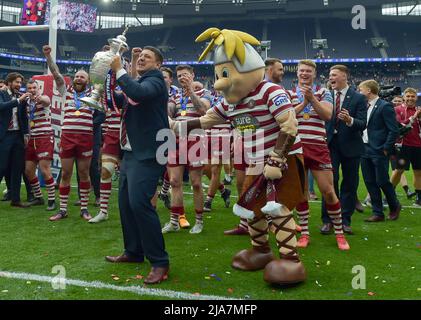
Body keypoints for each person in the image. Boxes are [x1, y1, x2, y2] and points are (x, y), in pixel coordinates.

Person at [105, 46, 170, 285]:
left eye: (147, 57)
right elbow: (120, 99)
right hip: (133, 151)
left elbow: (138, 93)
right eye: (140, 57)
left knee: (140, 204)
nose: (142, 59)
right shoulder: (140, 81)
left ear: (158, 64)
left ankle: (160, 261)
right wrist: (108, 77)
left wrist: (120, 69)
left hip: (152, 151)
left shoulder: (156, 81)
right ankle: (133, 251)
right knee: (125, 203)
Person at [292, 60, 349, 250]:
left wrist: (312, 99)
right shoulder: (288, 93)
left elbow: (327, 115)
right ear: (297, 73)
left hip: (318, 146)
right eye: (302, 71)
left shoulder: (324, 92)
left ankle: (339, 234)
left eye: (308, 71)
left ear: (314, 74)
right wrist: (304, 102)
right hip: (296, 148)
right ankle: (305, 234)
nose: (305, 74)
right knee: (301, 194)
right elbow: (288, 116)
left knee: (328, 191)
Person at [43, 45, 94, 221]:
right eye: (77, 76)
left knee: (84, 174)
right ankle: (63, 209)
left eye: (82, 77)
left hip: (85, 138)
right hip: (67, 137)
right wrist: (49, 57)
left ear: (88, 80)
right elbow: (56, 74)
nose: (79, 78)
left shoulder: (94, 94)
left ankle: (84, 209)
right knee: (65, 174)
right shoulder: (66, 91)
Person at [162, 65, 211, 234]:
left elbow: (203, 110)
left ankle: (199, 221)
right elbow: (170, 112)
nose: (181, 78)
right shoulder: (174, 95)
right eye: (179, 75)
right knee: (174, 181)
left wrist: (191, 90)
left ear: (192, 75)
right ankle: (174, 221)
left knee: (196, 183)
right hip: (175, 139)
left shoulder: (205, 93)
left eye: (185, 75)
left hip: (195, 139)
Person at [322, 65, 367, 234]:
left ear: (344, 76)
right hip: (330, 145)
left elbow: (363, 123)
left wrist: (349, 120)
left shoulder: (358, 98)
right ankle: (327, 221)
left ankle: (345, 220)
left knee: (349, 184)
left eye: (333, 75)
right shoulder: (325, 95)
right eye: (329, 75)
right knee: (329, 183)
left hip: (351, 146)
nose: (330, 77)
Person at [358, 80, 401, 222]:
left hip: (379, 150)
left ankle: (394, 206)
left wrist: (385, 148)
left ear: (369, 91)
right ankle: (378, 212)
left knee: (382, 181)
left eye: (361, 90)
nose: (359, 92)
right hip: (364, 149)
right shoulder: (363, 106)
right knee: (369, 181)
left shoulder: (385, 106)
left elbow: (393, 129)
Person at [24, 79, 56, 211]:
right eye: (29, 88)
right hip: (33, 138)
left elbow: (46, 101)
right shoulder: (26, 102)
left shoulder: (43, 98)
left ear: (38, 89)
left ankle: (52, 200)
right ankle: (39, 197)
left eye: (34, 88)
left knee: (44, 169)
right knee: (28, 170)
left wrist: (39, 97)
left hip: (44, 137)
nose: (32, 90)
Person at [0, 72, 30, 208]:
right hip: (4, 135)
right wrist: (18, 101)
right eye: (17, 82)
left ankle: (16, 199)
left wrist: (26, 134)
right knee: (2, 167)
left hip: (18, 135)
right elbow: (1, 107)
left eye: (20, 83)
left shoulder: (20, 96)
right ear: (9, 82)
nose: (19, 85)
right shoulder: (1, 93)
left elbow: (23, 117)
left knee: (18, 168)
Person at [392, 88, 421, 207]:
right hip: (403, 146)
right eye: (408, 96)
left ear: (416, 98)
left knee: (418, 172)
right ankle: (389, 194)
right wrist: (414, 117)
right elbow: (400, 126)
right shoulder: (397, 110)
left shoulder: (419, 111)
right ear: (404, 97)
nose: (410, 98)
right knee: (399, 171)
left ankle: (419, 198)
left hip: (418, 146)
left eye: (412, 96)